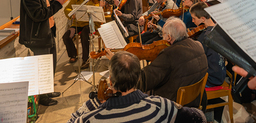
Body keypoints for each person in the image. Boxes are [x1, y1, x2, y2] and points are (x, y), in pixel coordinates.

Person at [68, 51, 207, 123]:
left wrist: (93, 103)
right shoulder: (160, 106)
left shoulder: (91, 119)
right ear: (138, 78)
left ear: (110, 80)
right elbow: (199, 118)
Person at [19, 0, 68, 106]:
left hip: (46, 34)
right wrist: (58, 3)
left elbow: (45, 7)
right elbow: (39, 15)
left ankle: (47, 91)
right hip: (38, 38)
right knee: (41, 68)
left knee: (49, 65)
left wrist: (55, 0)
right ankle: (43, 98)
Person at [137, 17, 208, 105]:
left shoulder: (169, 54)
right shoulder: (198, 45)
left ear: (169, 37)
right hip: (194, 100)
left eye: (163, 35)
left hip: (172, 104)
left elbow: (144, 80)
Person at [63, 0, 102, 69]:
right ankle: (73, 55)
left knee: (84, 35)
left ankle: (85, 60)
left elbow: (96, 11)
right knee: (66, 36)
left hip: (89, 24)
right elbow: (67, 9)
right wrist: (72, 14)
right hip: (77, 23)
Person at [190, 2, 226, 87]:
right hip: (220, 74)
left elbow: (197, 57)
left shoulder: (206, 37)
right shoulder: (218, 29)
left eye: (194, 18)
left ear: (203, 19)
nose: (192, 21)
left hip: (210, 79)